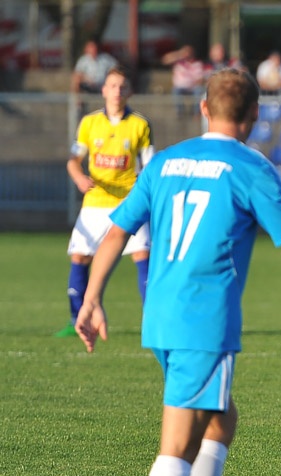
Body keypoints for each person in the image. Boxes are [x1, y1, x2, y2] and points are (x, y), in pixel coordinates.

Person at [74, 68, 281, 476]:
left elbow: (117, 229)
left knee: (220, 418)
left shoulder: (166, 162)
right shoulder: (251, 166)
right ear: (254, 117)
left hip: (161, 316)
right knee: (179, 441)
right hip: (204, 322)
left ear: (202, 110)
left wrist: (93, 296)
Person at [55, 66, 154, 338]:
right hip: (96, 201)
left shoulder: (140, 125)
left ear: (129, 91)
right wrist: (79, 178)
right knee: (80, 257)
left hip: (129, 201)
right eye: (112, 86)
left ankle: (153, 320)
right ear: (103, 90)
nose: (117, 91)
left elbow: (149, 166)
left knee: (142, 256)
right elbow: (74, 160)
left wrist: (144, 194)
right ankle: (78, 320)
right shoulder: (89, 123)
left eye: (122, 86)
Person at [161, 45, 206, 116]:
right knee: (176, 91)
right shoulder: (178, 62)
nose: (187, 54)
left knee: (199, 90)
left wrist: (192, 83)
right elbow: (165, 60)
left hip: (192, 88)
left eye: (189, 52)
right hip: (180, 87)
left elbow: (200, 79)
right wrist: (179, 53)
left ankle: (196, 114)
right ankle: (180, 113)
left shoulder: (197, 64)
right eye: (185, 52)